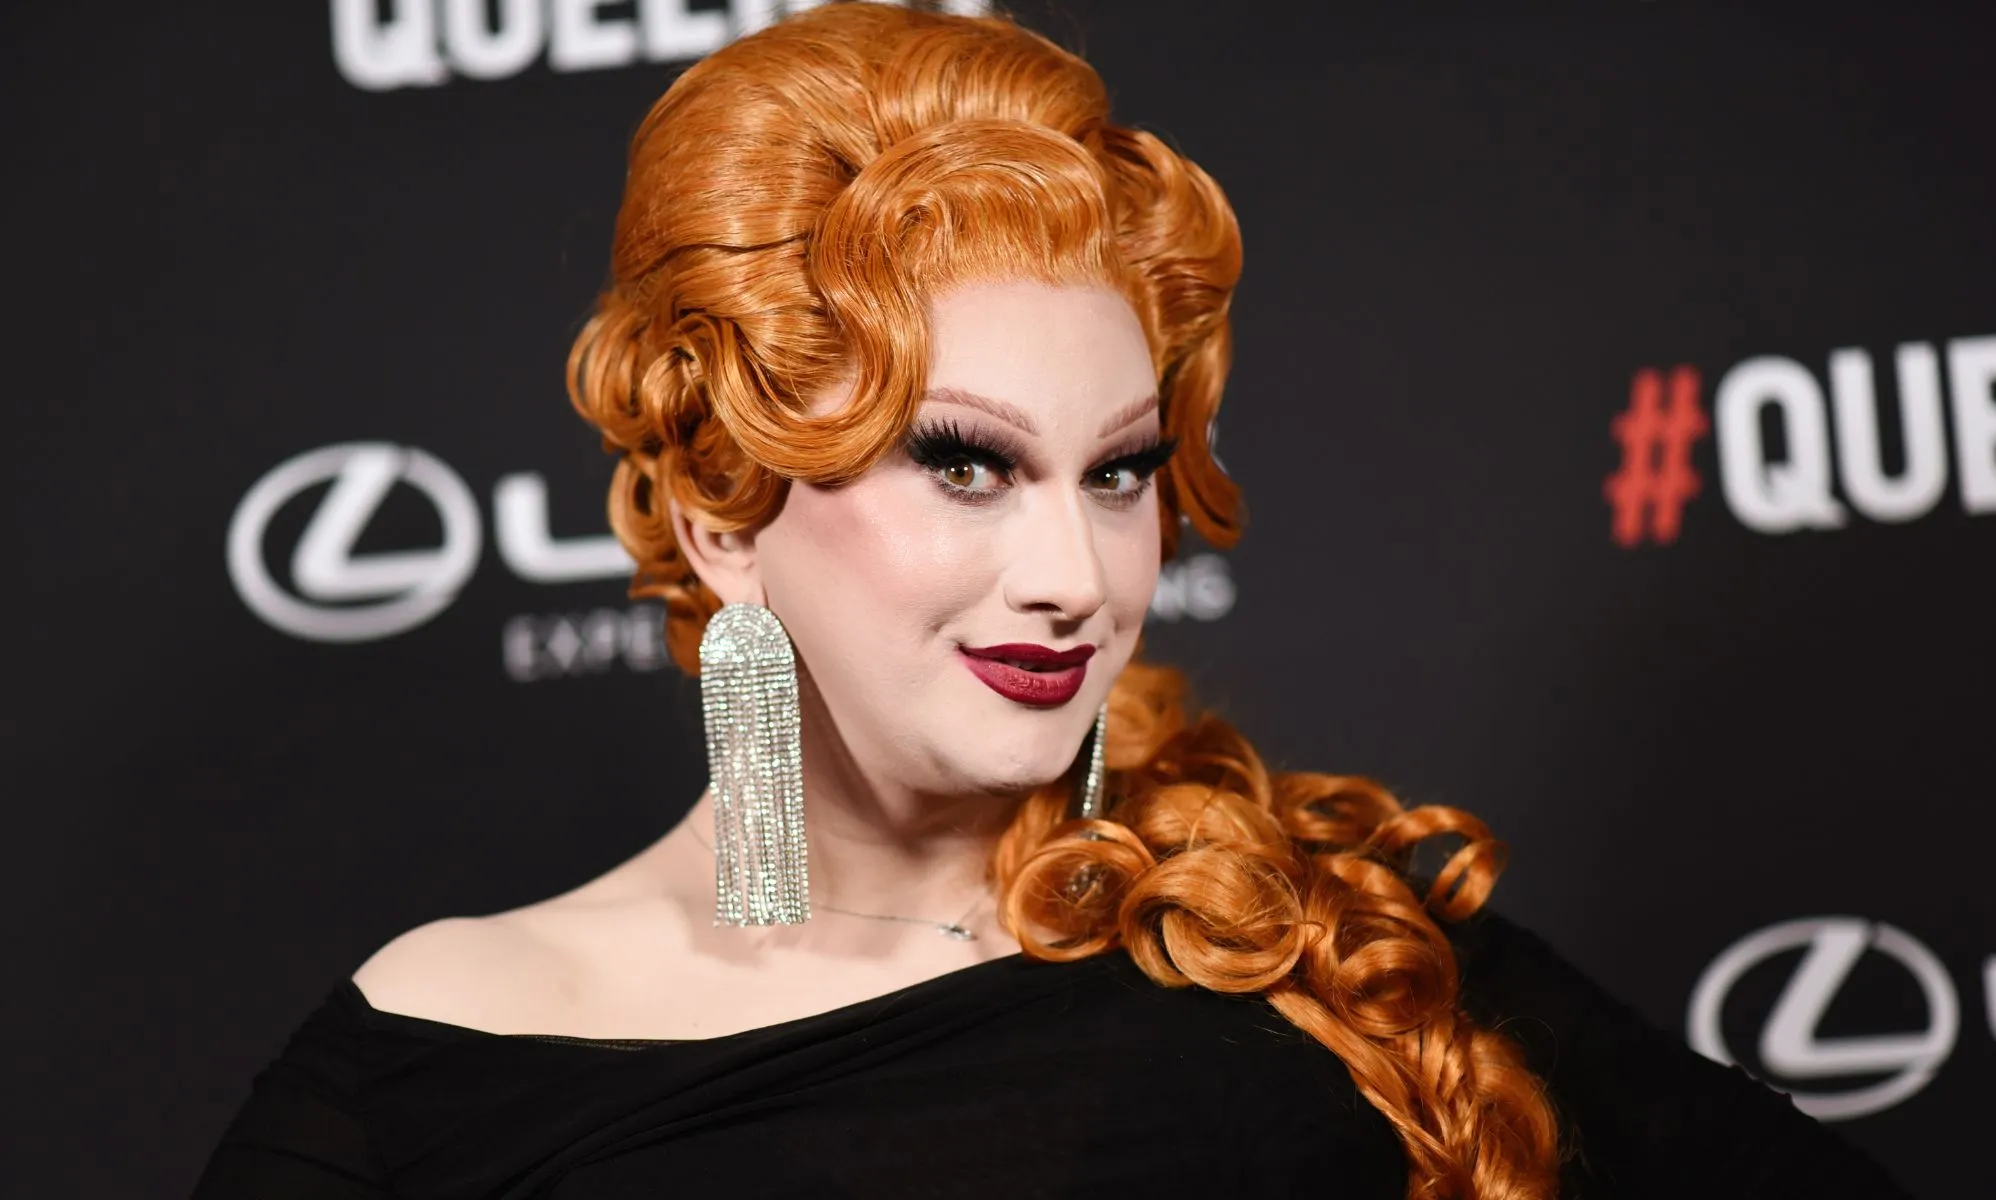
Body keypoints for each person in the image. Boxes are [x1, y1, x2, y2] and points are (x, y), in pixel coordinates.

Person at [192, 4, 1914, 1197]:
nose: (1076, 576)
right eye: (962, 462)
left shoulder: (1313, 928)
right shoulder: (445, 1051)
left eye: (1116, 471)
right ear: (723, 507)